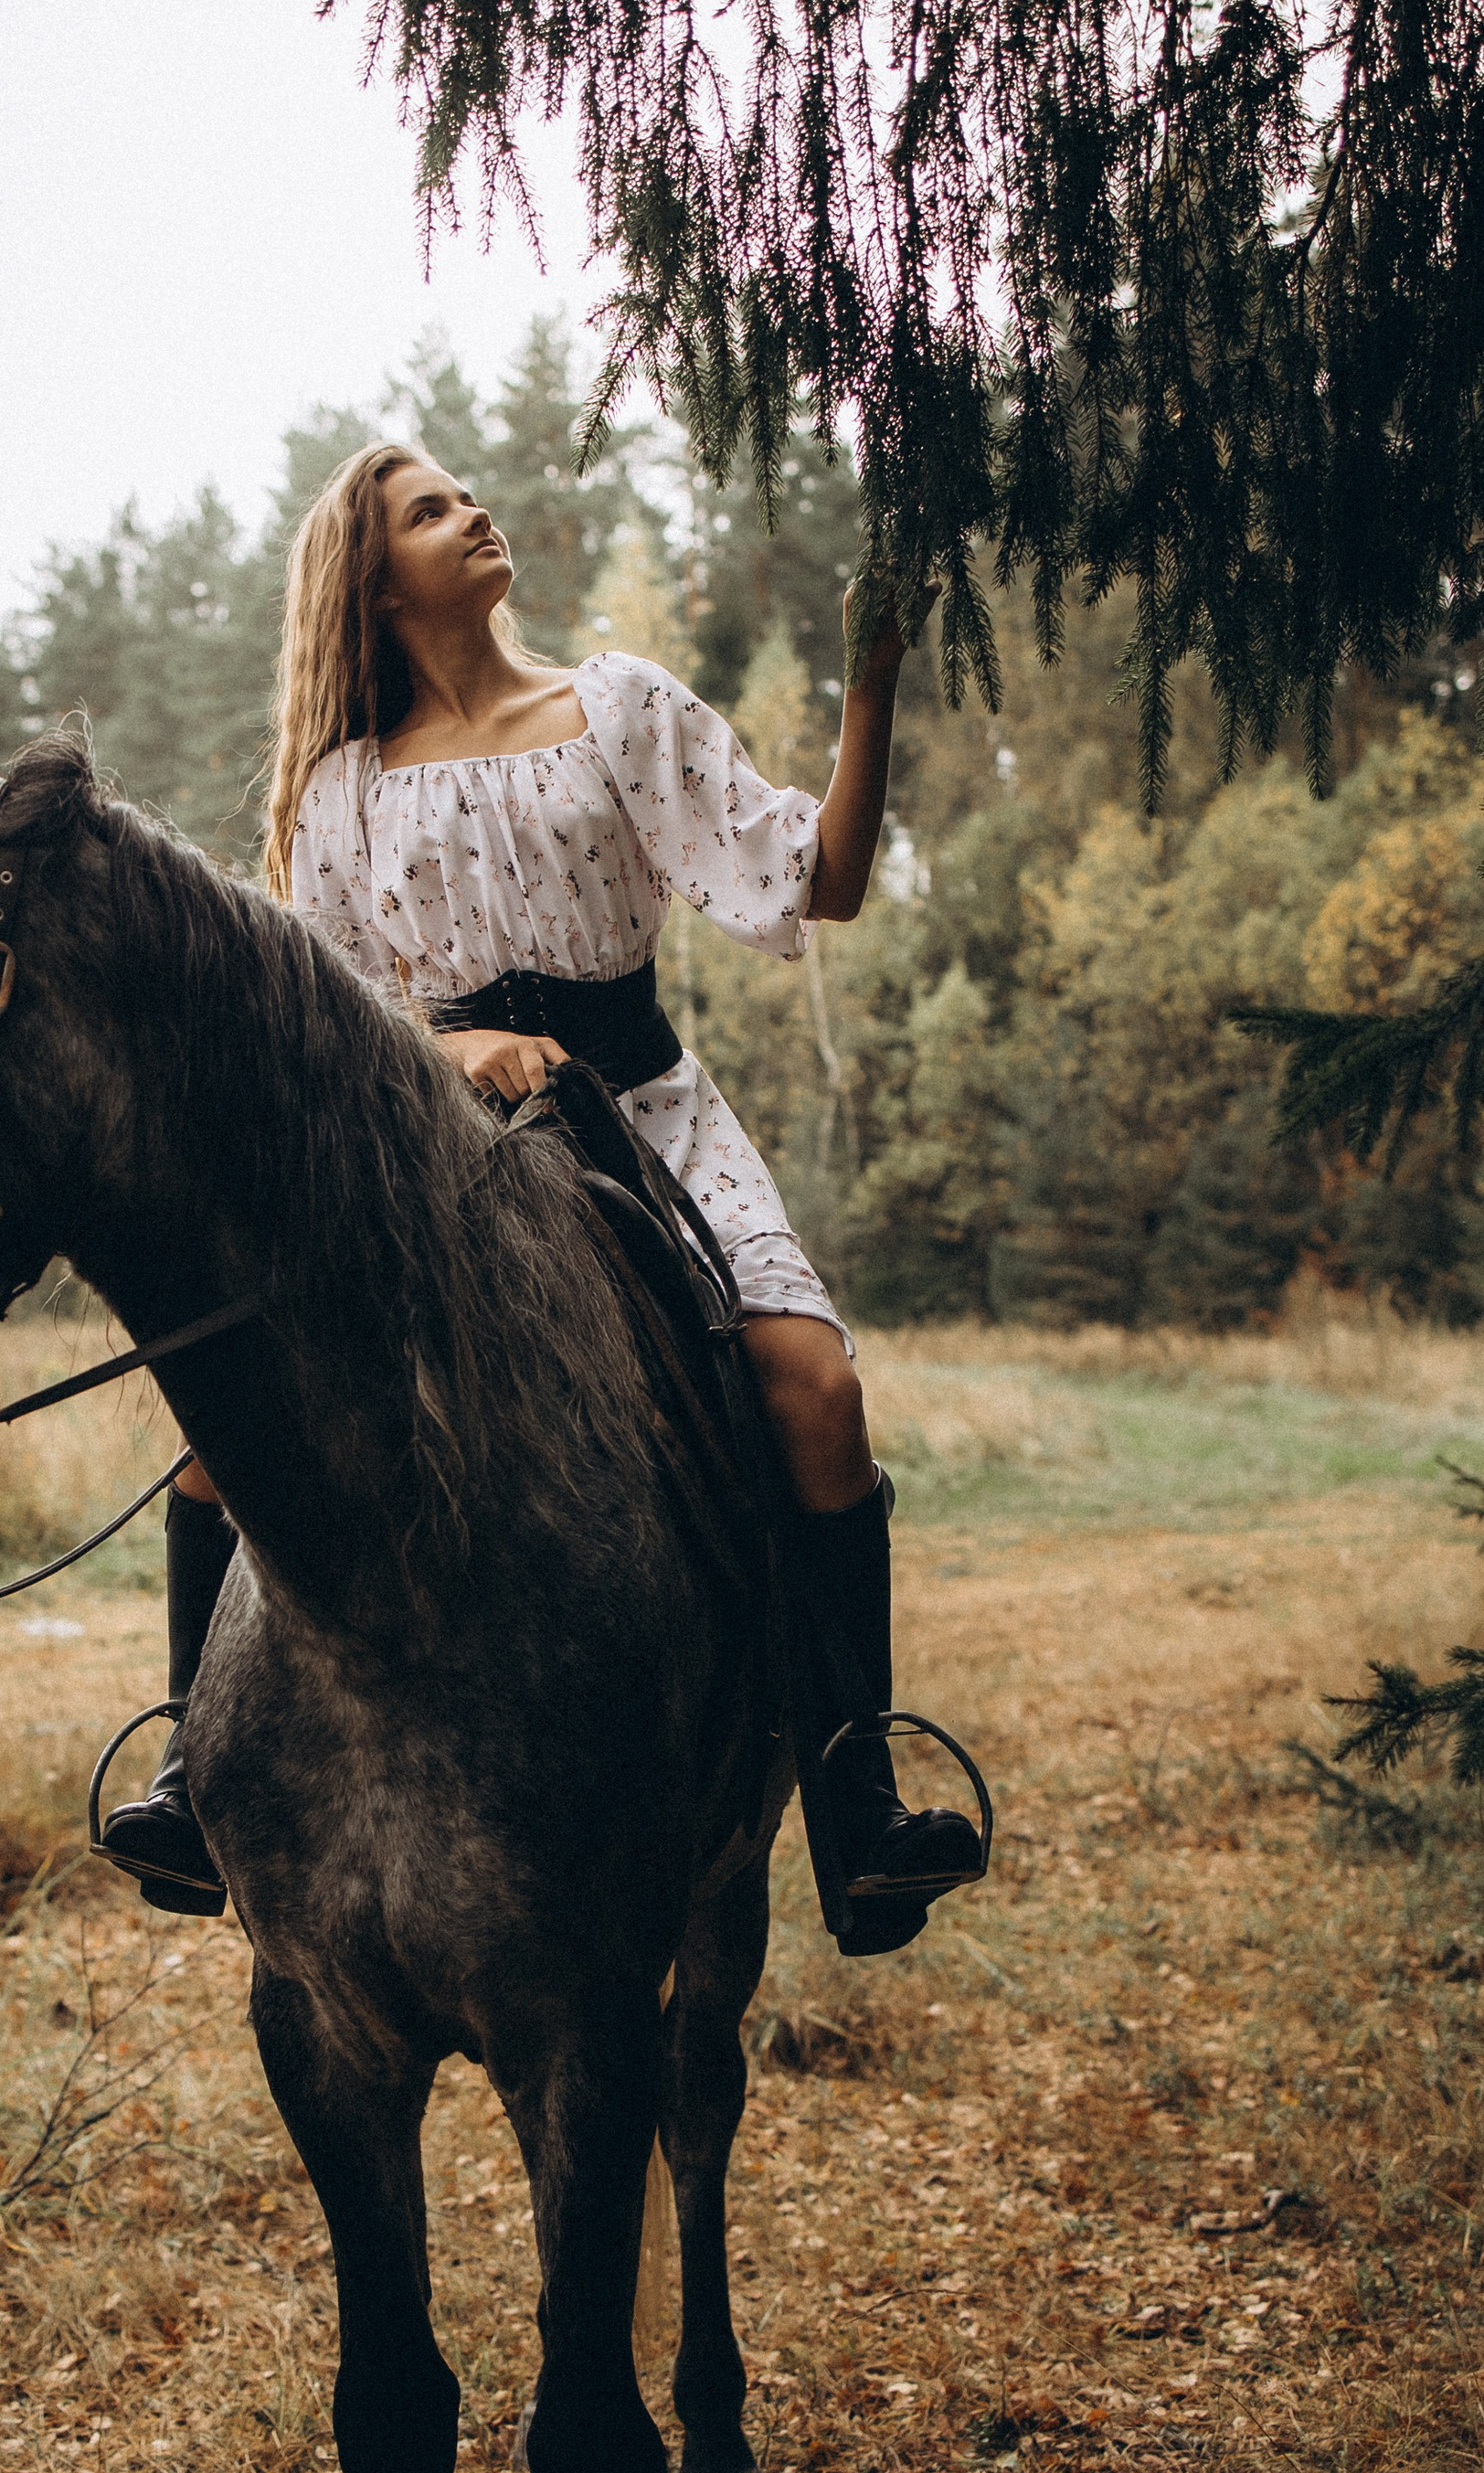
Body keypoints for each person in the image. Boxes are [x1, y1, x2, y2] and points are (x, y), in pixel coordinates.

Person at [97, 441, 980, 1938]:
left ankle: (854, 1797)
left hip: (643, 1119)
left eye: (464, 491)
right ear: (374, 585)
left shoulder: (616, 707)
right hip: (432, 1158)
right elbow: (327, 1026)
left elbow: (818, 880)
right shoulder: (340, 794)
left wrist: (872, 680)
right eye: (429, 511)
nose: (473, 512)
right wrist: (455, 1053)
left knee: (816, 1388)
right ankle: (193, 1771)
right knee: (220, 1429)